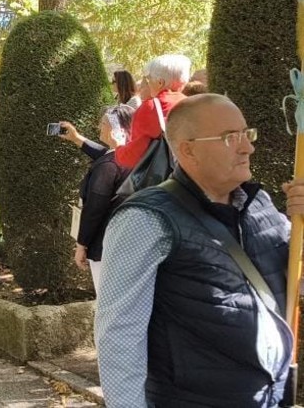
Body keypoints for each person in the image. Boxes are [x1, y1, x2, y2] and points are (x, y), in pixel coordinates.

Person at [96, 94, 294, 406]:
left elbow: (297, 283)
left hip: (270, 397)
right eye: (231, 137)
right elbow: (120, 334)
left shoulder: (261, 206)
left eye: (247, 134)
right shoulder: (146, 219)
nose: (248, 147)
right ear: (188, 150)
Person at [57, 105, 134, 290]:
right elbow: (105, 152)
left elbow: (94, 208)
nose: (100, 127)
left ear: (117, 130)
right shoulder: (137, 156)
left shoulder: (108, 166)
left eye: (104, 124)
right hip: (128, 241)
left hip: (105, 244)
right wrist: (76, 138)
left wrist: (81, 244)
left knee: (107, 298)